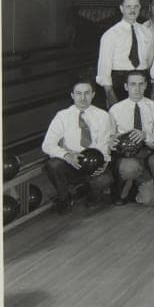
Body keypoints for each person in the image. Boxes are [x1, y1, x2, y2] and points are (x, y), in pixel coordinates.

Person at [41, 77, 116, 213]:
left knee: (105, 179)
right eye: (78, 93)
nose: (83, 98)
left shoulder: (103, 116)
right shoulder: (62, 116)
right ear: (72, 95)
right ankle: (64, 198)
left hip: (92, 164)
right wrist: (67, 155)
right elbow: (47, 145)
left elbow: (104, 146)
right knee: (53, 164)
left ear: (93, 95)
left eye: (87, 93)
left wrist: (102, 164)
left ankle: (91, 195)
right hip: (71, 163)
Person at [107, 70, 154, 206]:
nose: (137, 88)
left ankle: (135, 186)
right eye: (132, 84)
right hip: (128, 157)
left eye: (140, 84)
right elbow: (109, 138)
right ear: (126, 86)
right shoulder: (115, 110)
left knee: (151, 200)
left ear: (145, 85)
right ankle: (127, 182)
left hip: (148, 153)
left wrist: (145, 135)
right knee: (129, 168)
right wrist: (113, 141)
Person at [96, 0, 154, 106]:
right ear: (121, 8)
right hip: (120, 83)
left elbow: (150, 63)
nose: (132, 10)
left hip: (142, 81)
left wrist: (152, 89)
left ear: (140, 8)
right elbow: (104, 67)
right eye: (128, 6)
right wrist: (109, 93)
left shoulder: (147, 32)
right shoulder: (110, 34)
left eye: (136, 6)